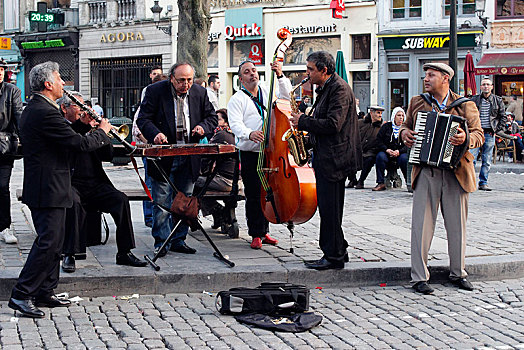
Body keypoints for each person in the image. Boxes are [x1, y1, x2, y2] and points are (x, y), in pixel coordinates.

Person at [9, 61, 113, 318]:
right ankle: (22, 294)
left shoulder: (42, 108)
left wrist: (84, 124)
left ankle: (45, 290)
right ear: (48, 84)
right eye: (59, 78)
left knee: (55, 243)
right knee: (48, 242)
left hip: (54, 184)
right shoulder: (44, 111)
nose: (62, 84)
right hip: (48, 187)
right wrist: (102, 131)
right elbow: (77, 144)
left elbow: (62, 141)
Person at [400, 62, 484, 295]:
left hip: (456, 170)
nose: (425, 79)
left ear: (445, 78)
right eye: (426, 75)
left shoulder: (465, 105)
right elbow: (405, 127)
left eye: (431, 75)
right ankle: (419, 277)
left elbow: (479, 135)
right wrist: (405, 134)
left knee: (457, 226)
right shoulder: (417, 102)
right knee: (421, 225)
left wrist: (464, 137)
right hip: (426, 169)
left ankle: (458, 272)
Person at [58, 91, 147, 273]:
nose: (83, 112)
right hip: (71, 182)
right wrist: (93, 130)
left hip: (95, 183)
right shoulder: (61, 126)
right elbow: (76, 142)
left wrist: (103, 134)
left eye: (84, 107)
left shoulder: (90, 129)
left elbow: (108, 156)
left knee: (120, 200)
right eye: (78, 107)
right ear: (64, 108)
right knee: (74, 204)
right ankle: (70, 254)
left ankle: (124, 252)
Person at [290, 51, 362, 270]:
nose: (307, 73)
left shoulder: (338, 89)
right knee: (330, 208)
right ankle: (339, 248)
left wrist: (303, 121)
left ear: (324, 70)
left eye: (311, 69)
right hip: (328, 155)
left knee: (330, 209)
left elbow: (333, 124)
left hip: (334, 159)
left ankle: (333, 256)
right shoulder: (328, 87)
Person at [137, 62, 217, 257]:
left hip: (189, 156)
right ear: (171, 78)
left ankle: (179, 240)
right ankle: (162, 242)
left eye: (189, 80)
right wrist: (155, 134)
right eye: (181, 81)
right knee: (162, 201)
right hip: (164, 156)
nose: (186, 85)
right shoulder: (155, 91)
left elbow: (212, 118)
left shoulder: (199, 92)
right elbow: (143, 119)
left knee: (185, 201)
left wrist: (202, 128)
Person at [228, 60, 289, 249]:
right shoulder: (237, 99)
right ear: (240, 78)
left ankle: (265, 231)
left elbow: (287, 96)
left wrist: (279, 75)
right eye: (247, 72)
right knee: (254, 193)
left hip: (271, 150)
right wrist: (249, 133)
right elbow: (235, 124)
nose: (252, 74)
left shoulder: (266, 88)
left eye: (254, 70)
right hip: (251, 152)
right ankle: (255, 233)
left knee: (269, 192)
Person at [194, 109, 240, 228]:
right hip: (238, 181)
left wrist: (201, 171)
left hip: (224, 181)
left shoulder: (221, 134)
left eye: (218, 119)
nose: (215, 122)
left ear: (226, 122)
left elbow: (207, 156)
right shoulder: (234, 134)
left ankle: (217, 211)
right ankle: (219, 214)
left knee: (192, 184)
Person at [132, 66, 166, 228]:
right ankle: (150, 217)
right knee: (151, 183)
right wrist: (152, 142)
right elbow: (138, 129)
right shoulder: (147, 105)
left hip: (165, 152)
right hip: (151, 151)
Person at [0, 58, 23, 245]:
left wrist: (27, 140)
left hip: (4, 147)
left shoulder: (11, 91)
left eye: (1, 69)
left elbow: (18, 117)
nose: (0, 72)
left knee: (2, 187)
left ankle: (4, 226)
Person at [470, 78, 507, 191]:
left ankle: (483, 183)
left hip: (489, 133)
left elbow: (503, 117)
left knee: (487, 160)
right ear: (480, 87)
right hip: (476, 133)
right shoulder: (474, 100)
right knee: (471, 159)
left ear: (491, 87)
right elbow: (468, 115)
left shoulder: (497, 100)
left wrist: (496, 129)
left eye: (488, 84)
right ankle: (470, 182)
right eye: (483, 84)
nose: (486, 86)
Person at [372, 107, 408, 191]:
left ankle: (409, 182)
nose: (401, 117)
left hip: (400, 153)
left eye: (402, 115)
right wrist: (386, 149)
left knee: (404, 159)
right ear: (394, 116)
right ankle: (380, 183)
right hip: (387, 152)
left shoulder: (405, 129)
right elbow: (379, 141)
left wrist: (399, 151)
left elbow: (408, 145)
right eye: (398, 115)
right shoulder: (386, 127)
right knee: (380, 157)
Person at [353, 106, 384, 189]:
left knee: (369, 159)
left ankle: (361, 181)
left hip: (371, 152)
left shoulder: (381, 128)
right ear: (371, 113)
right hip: (358, 149)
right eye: (378, 113)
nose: (380, 115)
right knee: (348, 155)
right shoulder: (360, 123)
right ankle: (352, 179)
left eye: (381, 113)